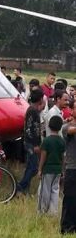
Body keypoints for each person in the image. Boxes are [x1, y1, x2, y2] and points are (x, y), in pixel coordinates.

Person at [17, 89, 46, 194]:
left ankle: (25, 190)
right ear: (40, 99)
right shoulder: (32, 111)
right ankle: (19, 187)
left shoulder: (33, 109)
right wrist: (35, 145)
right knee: (34, 168)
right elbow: (29, 129)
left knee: (30, 166)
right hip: (31, 144)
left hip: (31, 143)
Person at [37, 116, 65, 215]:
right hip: (57, 169)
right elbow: (62, 157)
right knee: (55, 190)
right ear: (60, 127)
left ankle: (42, 210)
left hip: (47, 169)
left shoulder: (47, 141)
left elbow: (43, 156)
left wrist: (40, 169)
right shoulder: (62, 141)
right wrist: (62, 169)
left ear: (49, 126)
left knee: (45, 190)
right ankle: (53, 212)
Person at [61, 100, 76, 234]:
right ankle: (67, 229)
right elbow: (71, 130)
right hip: (72, 169)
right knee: (70, 199)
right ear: (72, 110)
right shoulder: (66, 126)